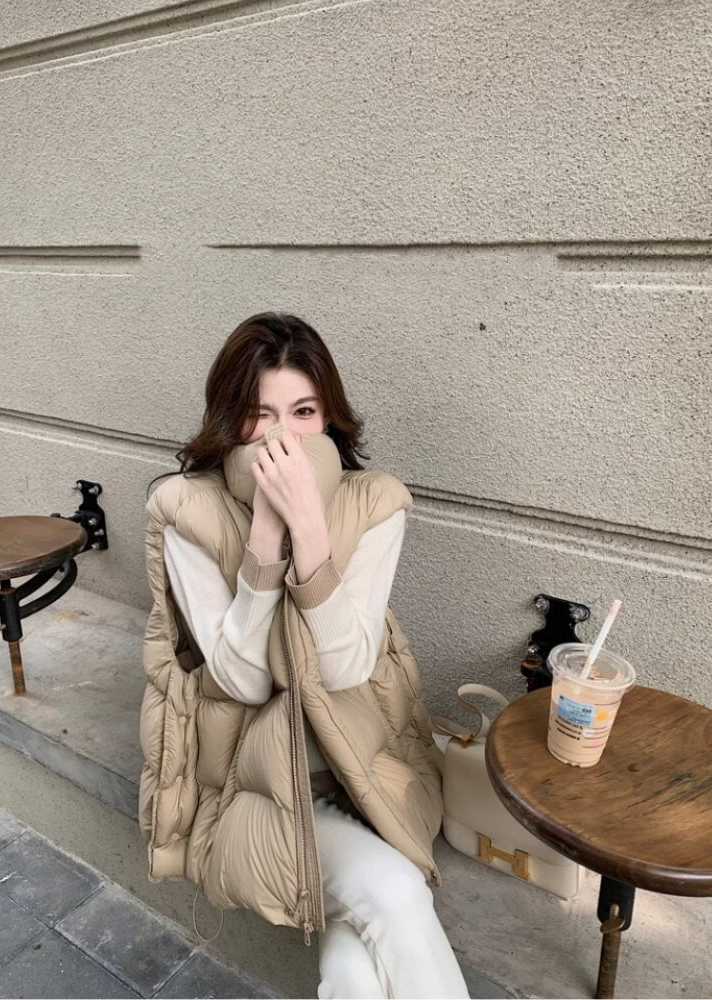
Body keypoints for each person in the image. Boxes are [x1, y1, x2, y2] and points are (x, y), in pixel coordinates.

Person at [139, 313, 469, 999]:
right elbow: (242, 681)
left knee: (354, 977)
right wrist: (265, 541)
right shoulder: (186, 511)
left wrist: (313, 536)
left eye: (303, 411)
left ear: (329, 419)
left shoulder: (374, 504)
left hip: (365, 770)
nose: (283, 436)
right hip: (252, 789)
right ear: (229, 420)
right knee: (397, 894)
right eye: (260, 414)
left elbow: (346, 668)